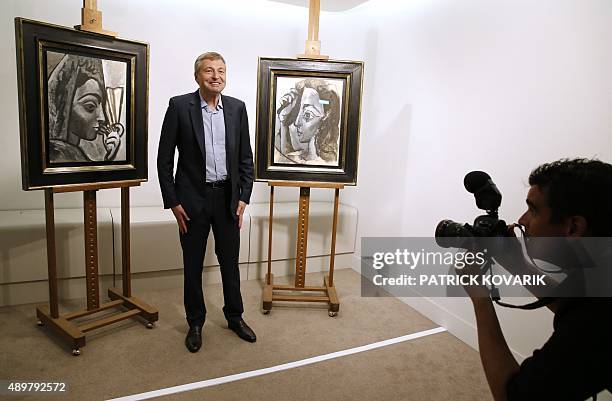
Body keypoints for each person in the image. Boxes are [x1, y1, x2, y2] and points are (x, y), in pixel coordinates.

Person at [460, 158, 612, 401]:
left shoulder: (599, 317)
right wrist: (516, 263)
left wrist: (480, 299)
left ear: (573, 227)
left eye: (533, 210)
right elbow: (569, 303)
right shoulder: (599, 264)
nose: (522, 220)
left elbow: (515, 395)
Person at [157, 52, 256, 353]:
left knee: (230, 264)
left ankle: (235, 317)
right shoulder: (179, 106)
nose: (216, 76)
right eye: (209, 71)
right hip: (191, 202)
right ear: (197, 76)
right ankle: (195, 322)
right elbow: (164, 159)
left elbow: (245, 159)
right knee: (192, 265)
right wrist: (173, 202)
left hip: (227, 199)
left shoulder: (237, 108)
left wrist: (243, 197)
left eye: (221, 71)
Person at [47, 54, 121, 163]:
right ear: (64, 105)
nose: (102, 118)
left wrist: (109, 158)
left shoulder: (75, 155)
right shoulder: (59, 155)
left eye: (102, 107)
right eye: (90, 107)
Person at [274, 78, 341, 165]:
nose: (297, 122)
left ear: (324, 119)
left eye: (307, 115)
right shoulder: (291, 157)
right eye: (298, 112)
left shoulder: (328, 164)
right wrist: (283, 121)